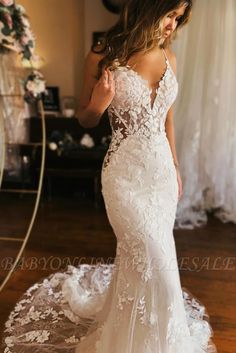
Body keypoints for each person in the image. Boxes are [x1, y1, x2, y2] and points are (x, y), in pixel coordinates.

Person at [2, 1, 217, 352]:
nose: (173, 24)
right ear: (151, 6)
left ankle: (156, 332)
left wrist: (176, 167)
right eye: (170, 14)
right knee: (150, 252)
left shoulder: (168, 57)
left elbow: (168, 121)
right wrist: (99, 104)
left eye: (178, 18)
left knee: (147, 255)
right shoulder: (103, 54)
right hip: (123, 175)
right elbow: (85, 119)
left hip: (160, 173)